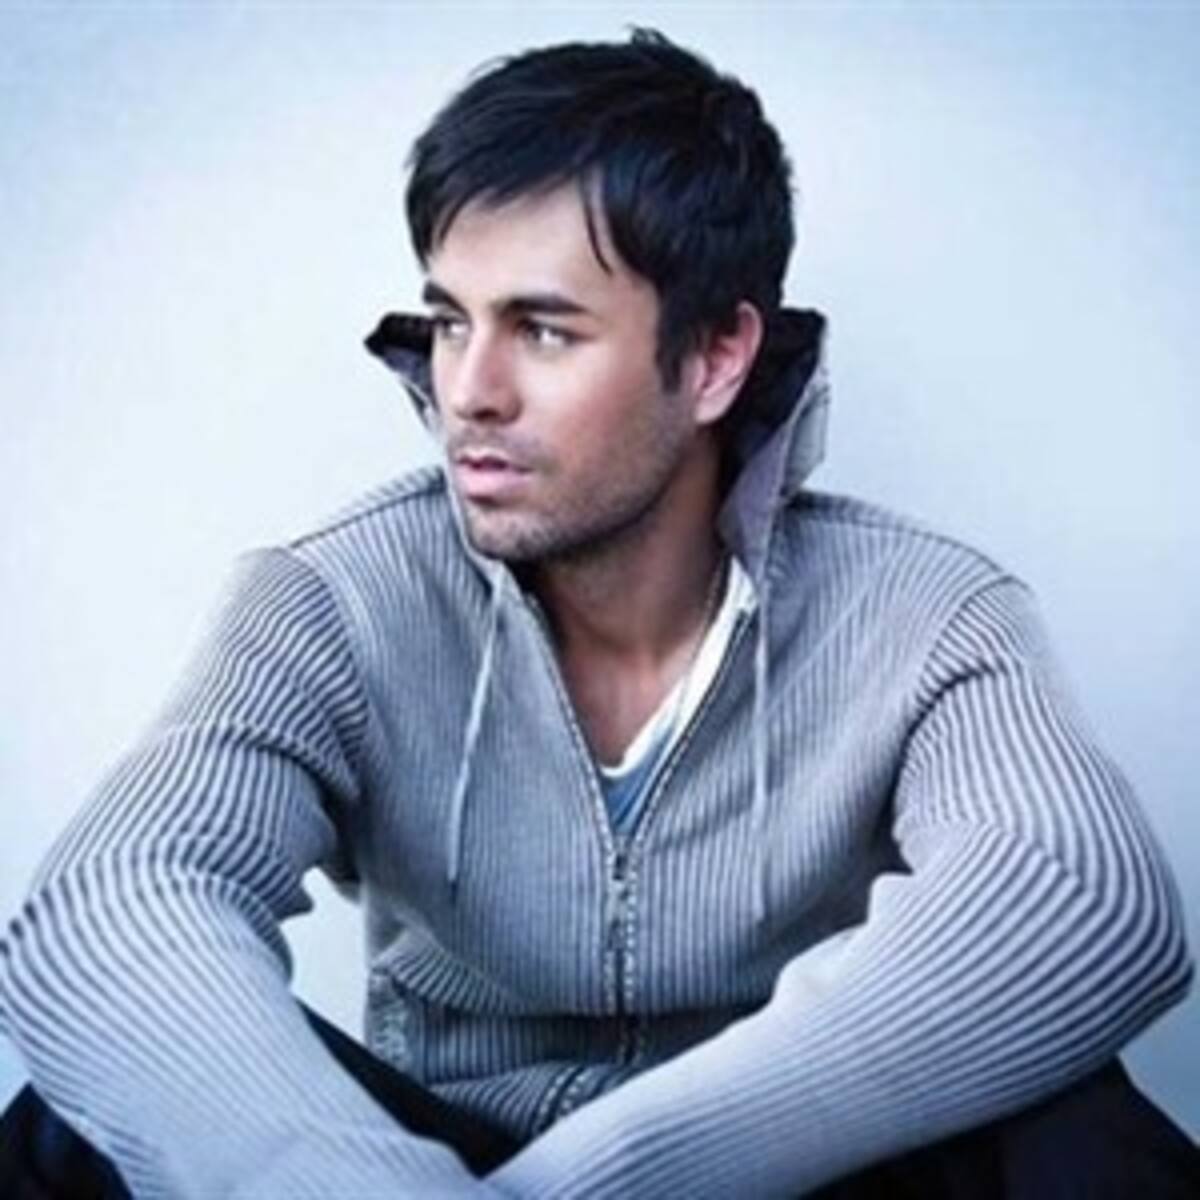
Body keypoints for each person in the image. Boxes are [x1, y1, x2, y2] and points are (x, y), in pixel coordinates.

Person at [0, 28, 1196, 1200]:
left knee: (1078, 1128)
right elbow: (108, 911)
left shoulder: (925, 615)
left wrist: (620, 1176)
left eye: (543, 329)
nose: (468, 391)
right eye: (452, 321)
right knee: (74, 1122)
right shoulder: (337, 601)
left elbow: (1085, 904)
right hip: (438, 1168)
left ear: (717, 357)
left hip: (773, 1177)